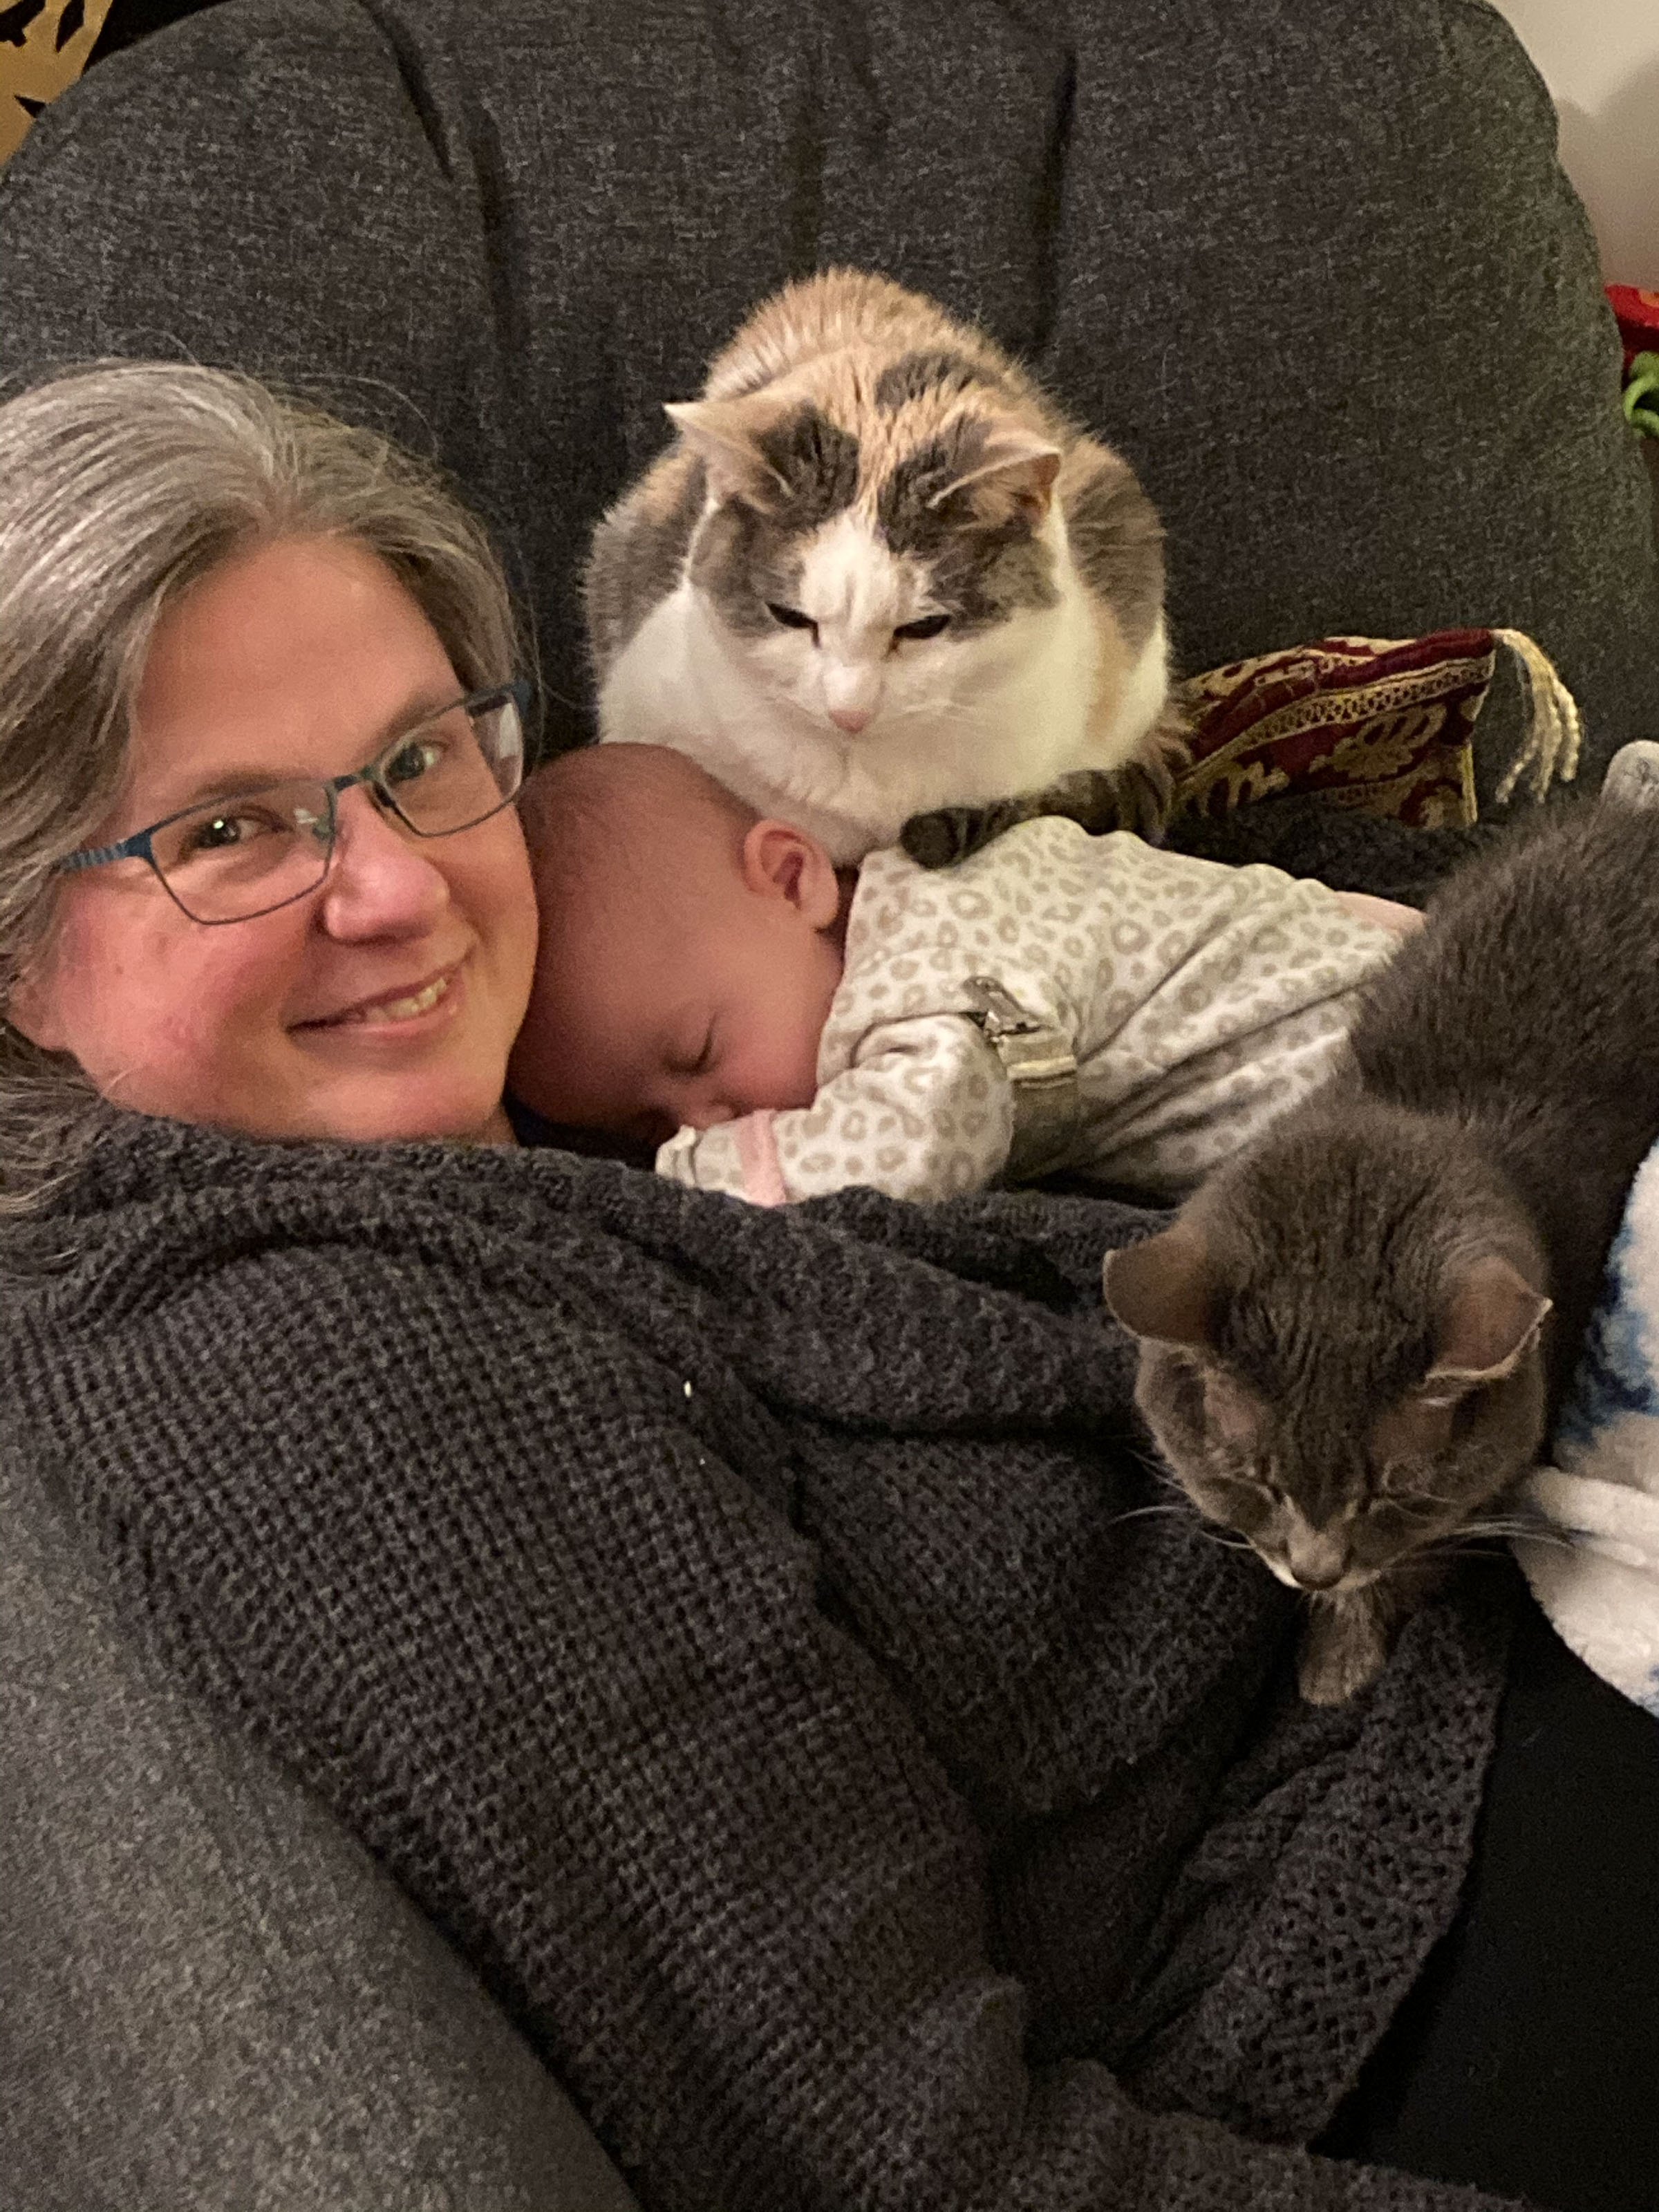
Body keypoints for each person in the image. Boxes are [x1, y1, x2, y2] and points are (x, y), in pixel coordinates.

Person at [1, 362, 1653, 2212]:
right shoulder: (334, 1372)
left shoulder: (543, 1100)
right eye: (225, 830)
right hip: (1408, 1911)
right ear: (14, 962)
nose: (401, 891)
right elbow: (928, 2165)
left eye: (415, 761)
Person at [507, 742, 1418, 1203]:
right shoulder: (892, 928)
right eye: (645, 1124)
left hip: (1389, 1062)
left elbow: (921, 1133)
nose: (699, 1122)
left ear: (793, 879)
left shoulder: (936, 956)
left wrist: (685, 1184)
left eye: (699, 1051)